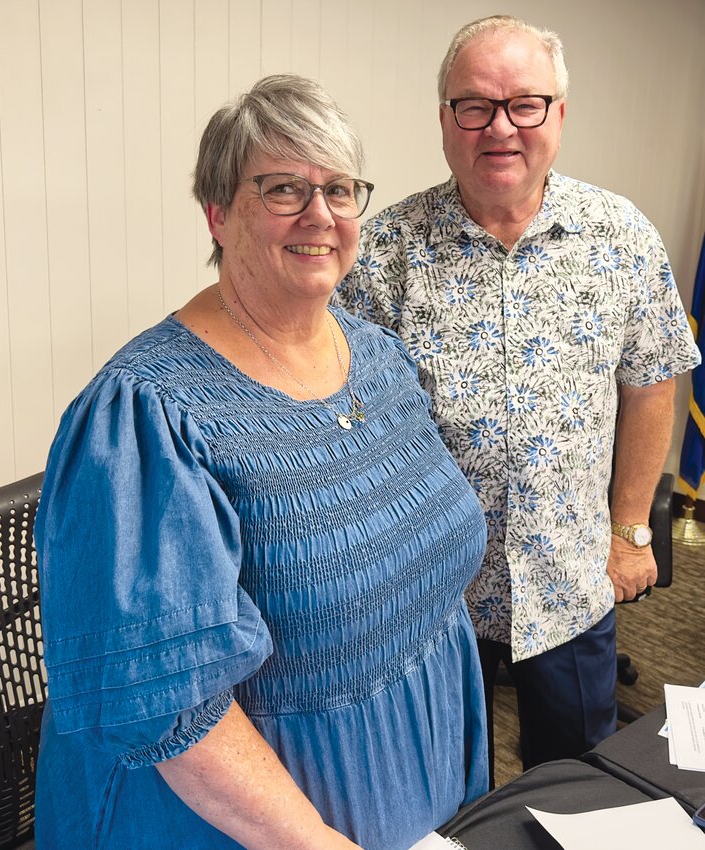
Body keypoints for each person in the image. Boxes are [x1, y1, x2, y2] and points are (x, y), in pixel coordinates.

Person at [34, 74, 488, 850]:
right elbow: (173, 708)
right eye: (284, 188)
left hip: (426, 783)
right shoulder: (147, 414)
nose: (321, 215)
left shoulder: (376, 354)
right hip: (247, 826)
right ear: (218, 212)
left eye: (341, 190)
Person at [335, 16, 701, 784]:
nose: (500, 127)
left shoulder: (621, 238)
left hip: (570, 580)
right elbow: (347, 419)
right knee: (437, 788)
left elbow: (653, 382)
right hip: (432, 592)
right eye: (474, 105)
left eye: (524, 104)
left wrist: (632, 529)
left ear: (558, 116)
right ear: (445, 121)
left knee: (576, 787)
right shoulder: (388, 252)